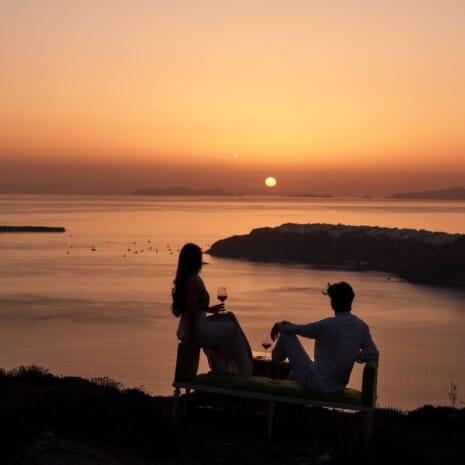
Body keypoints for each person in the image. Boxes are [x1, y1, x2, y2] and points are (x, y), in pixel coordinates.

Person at [270, 281, 379, 393]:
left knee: (285, 336)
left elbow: (299, 329)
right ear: (351, 301)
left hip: (315, 384)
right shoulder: (361, 326)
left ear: (333, 303)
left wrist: (280, 325)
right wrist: (354, 354)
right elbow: (373, 353)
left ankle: (272, 374)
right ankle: (286, 405)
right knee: (293, 374)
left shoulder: (327, 325)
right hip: (338, 387)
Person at [172, 243, 253, 376]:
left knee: (229, 317)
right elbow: (191, 312)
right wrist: (193, 340)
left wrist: (210, 309)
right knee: (232, 329)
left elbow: (188, 308)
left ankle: (222, 368)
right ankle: (243, 370)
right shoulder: (193, 280)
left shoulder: (185, 279)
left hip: (189, 328)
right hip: (195, 330)